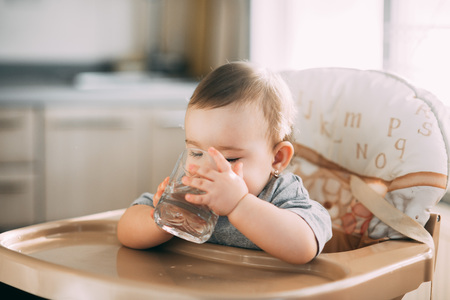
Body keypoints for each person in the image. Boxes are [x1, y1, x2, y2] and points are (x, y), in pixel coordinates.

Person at [117, 61, 332, 264]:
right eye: (196, 153)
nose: (205, 169)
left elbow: (303, 247)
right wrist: (161, 219)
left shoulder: (280, 194)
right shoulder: (189, 193)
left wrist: (239, 204)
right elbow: (125, 230)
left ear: (277, 159)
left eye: (229, 159)